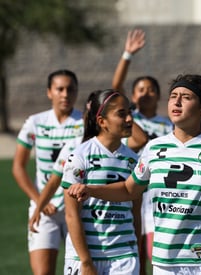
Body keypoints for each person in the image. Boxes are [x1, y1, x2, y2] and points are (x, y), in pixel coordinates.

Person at [67, 74, 201, 275]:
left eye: (186, 97)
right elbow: (128, 189)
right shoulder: (154, 149)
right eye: (173, 97)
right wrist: (90, 189)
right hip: (167, 265)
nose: (176, 102)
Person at [112, 28, 173, 274]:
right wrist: (127, 54)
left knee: (157, 252)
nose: (146, 93)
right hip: (133, 188)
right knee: (135, 251)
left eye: (151, 89)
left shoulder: (169, 124)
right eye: (140, 89)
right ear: (132, 96)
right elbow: (115, 88)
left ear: (159, 95)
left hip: (160, 191)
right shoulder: (129, 119)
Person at [61, 89, 142, 274]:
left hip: (124, 257)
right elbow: (71, 215)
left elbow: (136, 214)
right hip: (85, 256)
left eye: (130, 112)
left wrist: (139, 257)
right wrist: (86, 262)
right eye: (122, 114)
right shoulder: (80, 157)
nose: (130, 119)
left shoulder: (134, 161)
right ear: (102, 121)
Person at [12, 69, 83, 275]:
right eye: (59, 89)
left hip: (77, 208)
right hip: (44, 208)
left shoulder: (85, 123)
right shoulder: (35, 122)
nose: (65, 94)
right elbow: (18, 167)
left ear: (77, 92)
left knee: (81, 269)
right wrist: (39, 201)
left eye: (70, 89)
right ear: (49, 92)